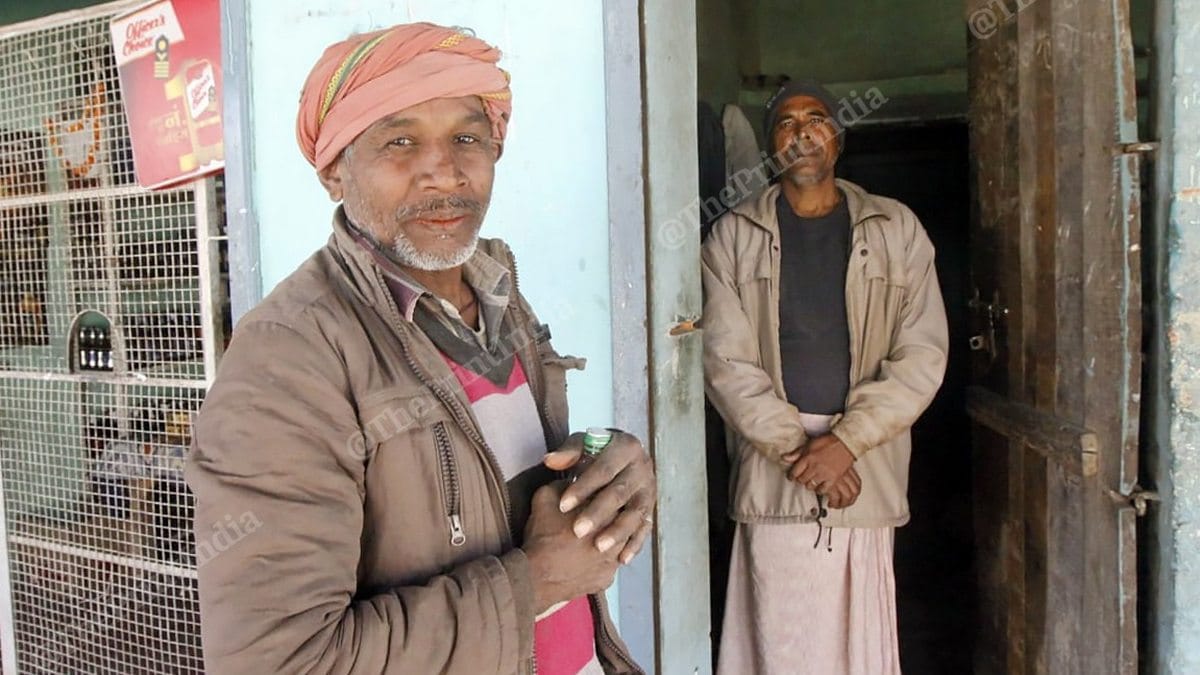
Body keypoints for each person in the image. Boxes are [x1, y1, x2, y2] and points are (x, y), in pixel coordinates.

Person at [186, 22, 655, 675]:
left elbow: (492, 481)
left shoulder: (497, 292)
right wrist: (538, 579)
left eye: (467, 137)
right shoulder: (288, 357)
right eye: (399, 141)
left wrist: (602, 471)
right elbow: (278, 661)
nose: (443, 168)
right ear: (332, 173)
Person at [701, 79, 948, 675]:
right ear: (770, 147)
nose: (802, 133)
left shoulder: (897, 228)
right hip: (774, 466)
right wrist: (802, 452)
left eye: (817, 119)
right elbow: (725, 363)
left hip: (865, 465)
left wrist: (847, 444)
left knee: (855, 644)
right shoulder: (733, 236)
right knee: (775, 641)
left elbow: (923, 355)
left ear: (837, 139)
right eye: (786, 123)